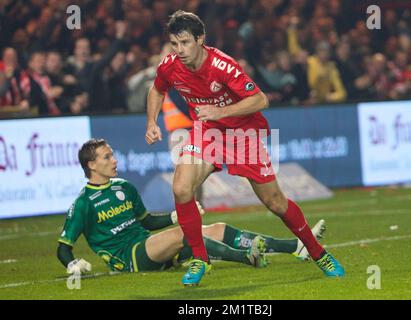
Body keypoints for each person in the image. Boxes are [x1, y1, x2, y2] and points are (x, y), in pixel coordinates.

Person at [145, 10, 344, 286]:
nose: (179, 50)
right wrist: (151, 122)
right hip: (208, 132)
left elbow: (261, 100)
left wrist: (218, 110)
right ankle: (200, 260)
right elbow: (157, 89)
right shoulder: (170, 65)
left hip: (242, 134)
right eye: (175, 44)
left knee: (275, 202)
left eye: (185, 43)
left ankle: (317, 252)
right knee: (180, 188)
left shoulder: (223, 65)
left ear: (200, 39)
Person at [56, 139, 326, 277]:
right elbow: (62, 247)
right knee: (184, 232)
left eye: (112, 154)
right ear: (91, 165)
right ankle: (245, 257)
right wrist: (72, 264)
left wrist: (174, 215)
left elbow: (147, 222)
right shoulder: (84, 203)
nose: (114, 160)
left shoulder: (123, 187)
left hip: (149, 246)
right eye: (107, 157)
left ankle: (296, 247)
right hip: (129, 259)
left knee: (217, 228)